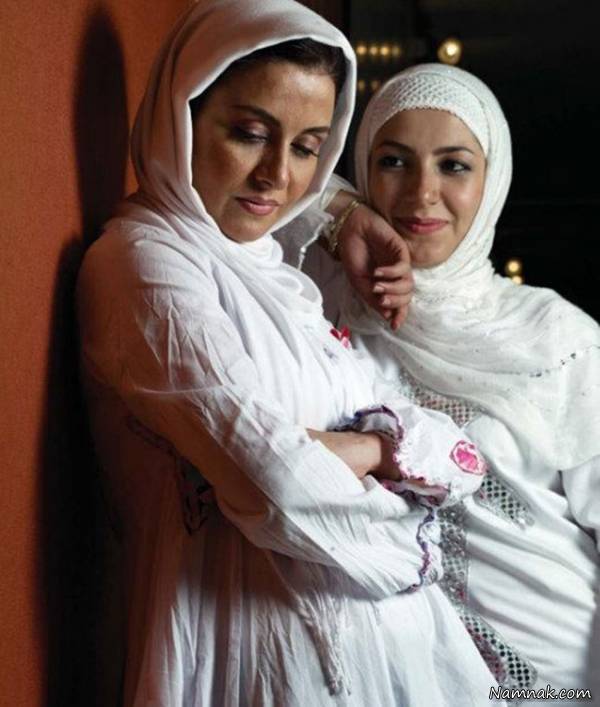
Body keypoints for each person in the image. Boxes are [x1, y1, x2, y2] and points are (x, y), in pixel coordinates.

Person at [77, 4, 503, 706]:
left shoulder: (278, 276)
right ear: (182, 117)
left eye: (307, 147)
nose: (277, 175)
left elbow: (459, 456)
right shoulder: (144, 265)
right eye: (249, 134)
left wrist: (367, 447)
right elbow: (280, 482)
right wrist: (394, 471)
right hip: (254, 663)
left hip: (394, 664)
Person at [295, 63, 600, 704]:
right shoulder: (322, 312)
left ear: (492, 180)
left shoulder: (556, 338)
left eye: (454, 165)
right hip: (397, 679)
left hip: (560, 677)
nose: (422, 193)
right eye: (393, 162)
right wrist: (345, 216)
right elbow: (240, 183)